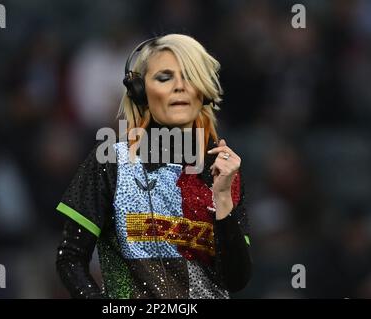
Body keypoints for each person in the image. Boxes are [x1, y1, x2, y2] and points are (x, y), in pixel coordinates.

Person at [55, 34, 252, 299]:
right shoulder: (111, 161)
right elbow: (70, 259)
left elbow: (236, 279)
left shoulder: (223, 168)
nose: (180, 87)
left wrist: (223, 198)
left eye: (190, 76)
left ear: (203, 91)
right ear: (140, 91)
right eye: (164, 77)